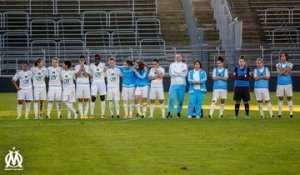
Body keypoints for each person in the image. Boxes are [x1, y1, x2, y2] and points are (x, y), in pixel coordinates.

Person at [167, 54, 188, 118]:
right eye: (176, 57)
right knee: (171, 98)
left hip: (182, 84)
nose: (178, 58)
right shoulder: (172, 65)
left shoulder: (184, 65)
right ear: (175, 58)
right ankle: (170, 113)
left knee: (180, 100)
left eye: (179, 57)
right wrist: (181, 72)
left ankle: (178, 112)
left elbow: (185, 75)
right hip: (173, 84)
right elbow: (172, 74)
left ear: (181, 58)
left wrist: (176, 72)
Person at [276, 53, 293, 118]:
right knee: (280, 98)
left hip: (288, 83)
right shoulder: (277, 64)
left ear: (286, 57)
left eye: (283, 56)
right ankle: (279, 113)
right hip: (280, 83)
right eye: (281, 56)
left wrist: (281, 70)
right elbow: (280, 73)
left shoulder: (290, 64)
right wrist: (286, 69)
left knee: (289, 97)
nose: (281, 57)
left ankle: (291, 113)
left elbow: (286, 74)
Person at [90, 54, 107, 119]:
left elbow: (105, 73)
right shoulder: (91, 65)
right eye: (95, 59)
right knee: (93, 97)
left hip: (101, 81)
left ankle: (103, 114)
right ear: (94, 59)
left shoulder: (103, 65)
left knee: (102, 97)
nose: (96, 60)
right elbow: (91, 74)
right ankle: (91, 114)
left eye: (98, 59)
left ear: (100, 59)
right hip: (94, 82)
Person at [74, 55, 90, 119]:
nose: (82, 61)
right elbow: (77, 75)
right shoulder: (76, 67)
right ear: (79, 60)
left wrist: (83, 68)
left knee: (86, 100)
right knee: (80, 100)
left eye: (83, 60)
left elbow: (86, 75)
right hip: (79, 84)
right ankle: (81, 114)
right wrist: (81, 68)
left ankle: (85, 114)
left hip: (86, 84)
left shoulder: (87, 67)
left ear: (84, 60)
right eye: (81, 60)